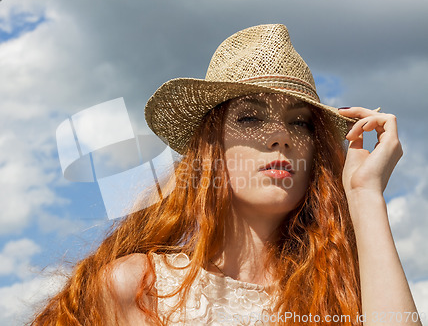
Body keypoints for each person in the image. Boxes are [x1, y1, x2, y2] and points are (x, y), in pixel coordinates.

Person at [31, 24, 421, 325]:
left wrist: (365, 195)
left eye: (299, 123)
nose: (281, 137)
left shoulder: (344, 290)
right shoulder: (140, 287)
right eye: (250, 117)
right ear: (210, 149)